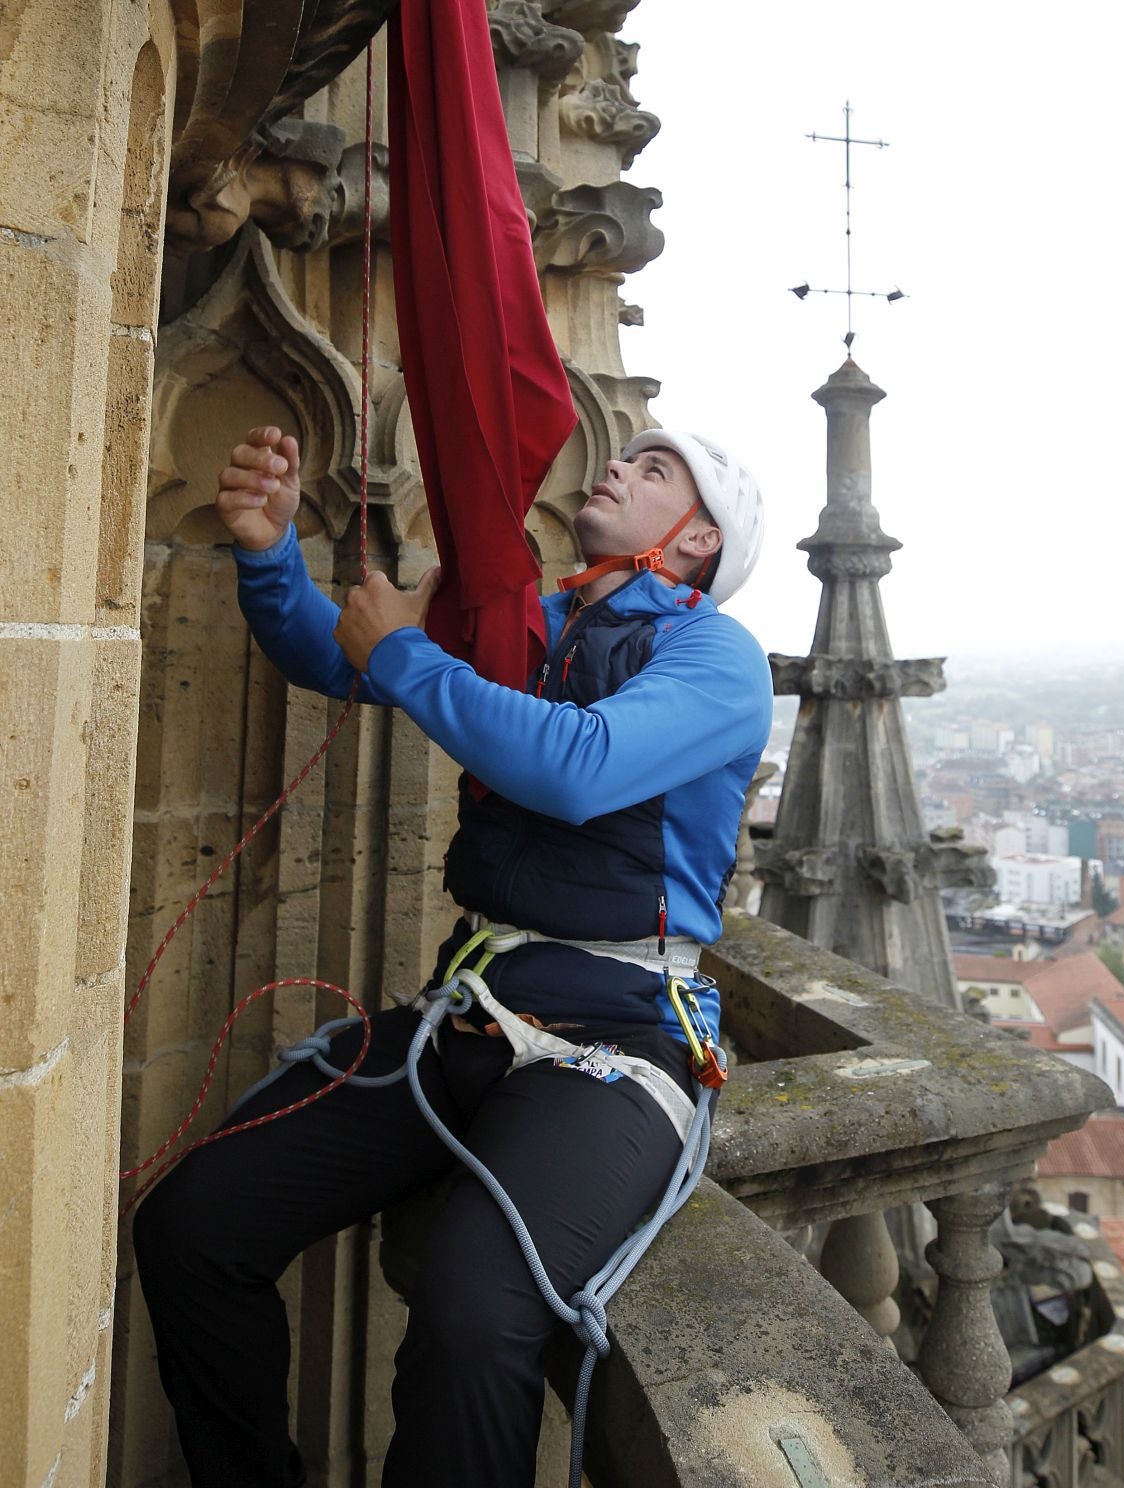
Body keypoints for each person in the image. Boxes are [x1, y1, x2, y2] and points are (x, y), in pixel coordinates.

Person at [133, 422, 772, 1488]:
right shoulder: (536, 623)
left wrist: (407, 650)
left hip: (614, 1040)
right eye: (627, 453)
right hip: (466, 1012)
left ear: (699, 538)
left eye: (655, 469)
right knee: (195, 1224)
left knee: (477, 1316)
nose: (616, 464)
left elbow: (579, 766)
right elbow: (338, 654)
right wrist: (268, 551)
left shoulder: (714, 656)